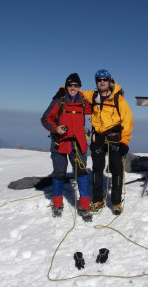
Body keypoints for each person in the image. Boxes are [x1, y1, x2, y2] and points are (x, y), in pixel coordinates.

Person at [41, 73, 93, 221]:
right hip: (60, 142)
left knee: (82, 173)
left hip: (77, 143)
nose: (73, 88)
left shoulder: (84, 102)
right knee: (59, 173)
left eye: (76, 85)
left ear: (79, 87)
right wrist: (55, 128)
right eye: (70, 85)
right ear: (66, 86)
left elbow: (97, 110)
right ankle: (57, 204)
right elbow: (45, 119)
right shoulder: (59, 101)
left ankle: (84, 206)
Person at [81, 69, 133, 215]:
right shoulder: (93, 95)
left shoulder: (118, 99)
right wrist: (62, 90)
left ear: (109, 80)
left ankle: (116, 202)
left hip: (114, 137)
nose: (102, 82)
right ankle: (98, 200)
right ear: (96, 82)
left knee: (116, 169)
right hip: (97, 137)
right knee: (97, 169)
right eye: (99, 80)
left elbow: (127, 120)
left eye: (104, 79)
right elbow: (76, 91)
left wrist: (124, 141)